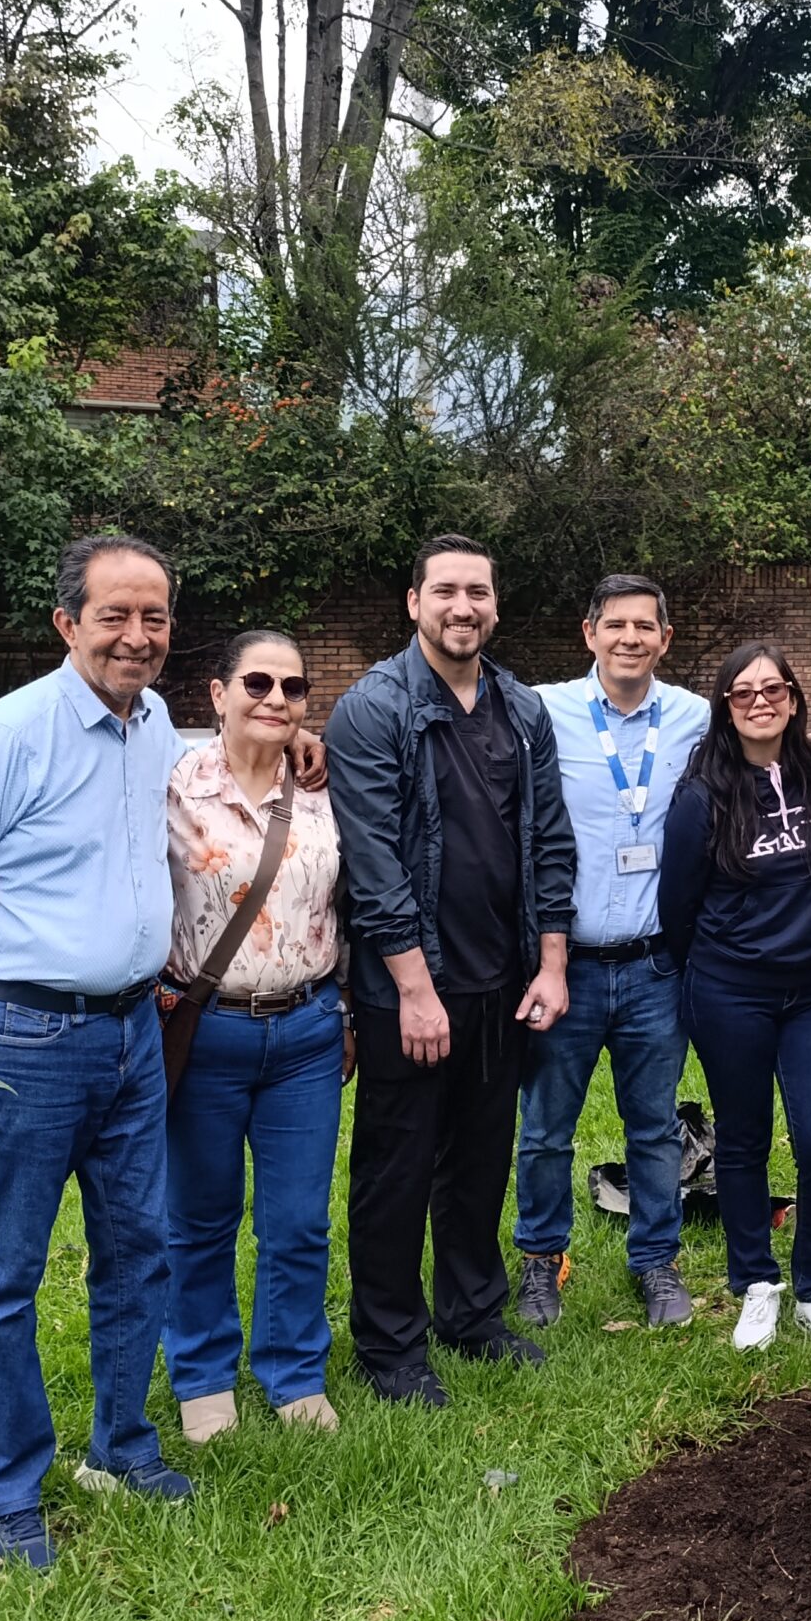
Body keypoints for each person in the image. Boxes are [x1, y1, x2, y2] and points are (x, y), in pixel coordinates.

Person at [0, 536, 195, 1571]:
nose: (136, 637)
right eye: (114, 615)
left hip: (130, 1032)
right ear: (67, 623)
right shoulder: (12, 732)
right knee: (7, 1271)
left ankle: (121, 1445)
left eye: (152, 617)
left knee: (139, 1246)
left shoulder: (154, 728)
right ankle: (5, 1491)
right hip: (21, 1037)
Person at [326, 534, 575, 1407]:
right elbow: (376, 866)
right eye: (445, 592)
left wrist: (550, 965)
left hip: (502, 982)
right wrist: (413, 991)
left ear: (496, 605)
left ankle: (472, 1314)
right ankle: (389, 1345)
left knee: (480, 1160)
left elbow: (549, 842)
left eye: (478, 592)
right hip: (409, 989)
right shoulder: (373, 709)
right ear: (414, 603)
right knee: (397, 1167)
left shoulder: (520, 708)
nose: (462, 606)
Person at [158, 629, 349, 1443]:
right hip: (205, 1033)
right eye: (258, 683)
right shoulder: (169, 784)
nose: (276, 699)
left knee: (299, 1220)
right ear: (218, 692)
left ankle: (294, 1372)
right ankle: (202, 1377)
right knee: (200, 1218)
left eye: (293, 688)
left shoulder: (324, 784)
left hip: (306, 1030)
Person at [515, 575, 712, 1330]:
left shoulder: (695, 716)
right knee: (544, 1129)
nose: (630, 638)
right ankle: (540, 1262)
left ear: (666, 637)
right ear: (588, 632)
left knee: (655, 1125)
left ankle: (656, 1262)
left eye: (645, 626)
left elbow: (768, 746)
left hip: (657, 965)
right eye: (616, 625)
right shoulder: (542, 708)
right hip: (565, 965)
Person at [661, 642, 811, 1357]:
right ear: (724, 708)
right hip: (729, 991)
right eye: (741, 693)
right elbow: (676, 905)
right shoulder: (701, 795)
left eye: (772, 689)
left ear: (794, 697)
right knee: (741, 1142)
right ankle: (755, 1283)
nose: (759, 702)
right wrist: (712, 974)